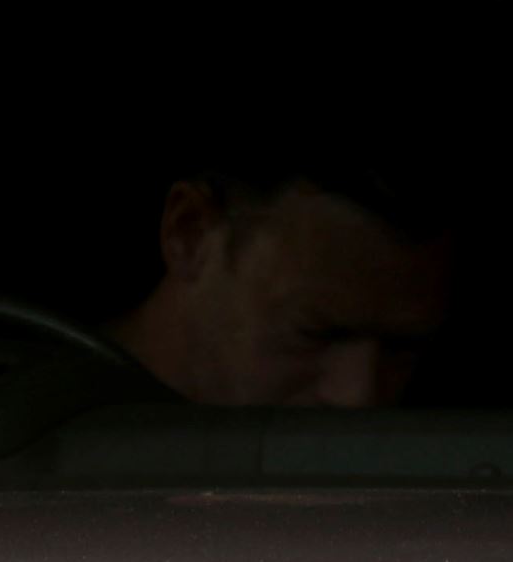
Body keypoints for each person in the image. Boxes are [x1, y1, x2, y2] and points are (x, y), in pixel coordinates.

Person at [112, 161, 455, 408]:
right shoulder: (60, 439)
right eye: (315, 333)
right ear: (190, 235)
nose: (359, 396)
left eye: (402, 348)